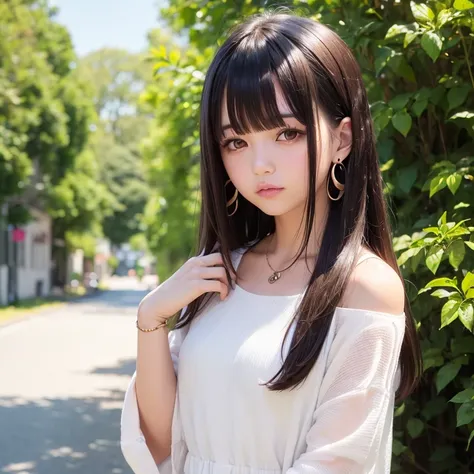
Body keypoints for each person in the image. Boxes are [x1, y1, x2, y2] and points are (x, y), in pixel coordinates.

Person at [120, 11, 422, 474]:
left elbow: (338, 463)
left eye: (287, 133)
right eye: (236, 142)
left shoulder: (364, 289)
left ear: (342, 138)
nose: (260, 164)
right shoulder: (220, 272)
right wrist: (152, 318)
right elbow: (162, 444)